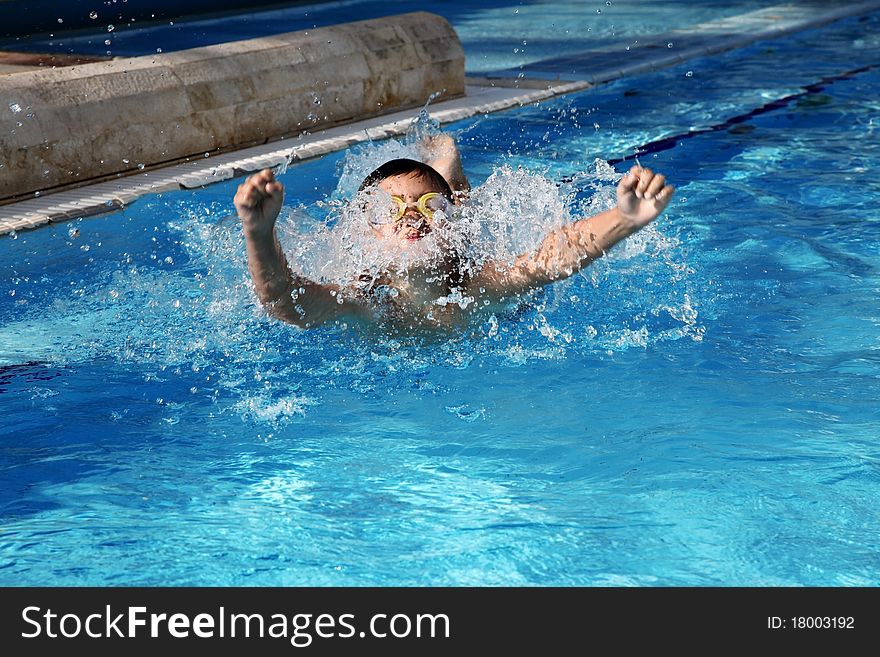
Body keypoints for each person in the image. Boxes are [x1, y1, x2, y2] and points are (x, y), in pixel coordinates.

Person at [234, 134, 674, 329]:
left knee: (460, 210)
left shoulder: (475, 284)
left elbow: (549, 259)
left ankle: (448, 174)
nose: (411, 217)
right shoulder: (365, 301)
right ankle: (446, 171)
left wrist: (626, 218)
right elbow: (285, 303)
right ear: (365, 229)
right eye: (390, 208)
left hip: (462, 245)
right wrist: (259, 232)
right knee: (452, 200)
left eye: (428, 207)